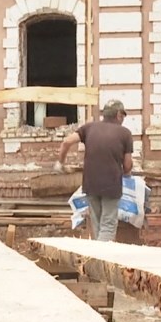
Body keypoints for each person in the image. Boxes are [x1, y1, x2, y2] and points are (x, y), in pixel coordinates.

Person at [56, 100, 134, 242]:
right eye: (123, 116)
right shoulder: (125, 133)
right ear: (118, 115)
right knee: (108, 224)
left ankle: (95, 259)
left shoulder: (89, 128)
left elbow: (66, 142)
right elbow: (127, 165)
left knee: (97, 223)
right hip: (111, 184)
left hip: (90, 184)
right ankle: (102, 258)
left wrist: (60, 163)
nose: (123, 119)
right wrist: (127, 173)